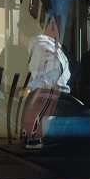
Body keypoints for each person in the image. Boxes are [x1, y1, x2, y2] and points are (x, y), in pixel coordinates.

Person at [21, 10, 71, 144]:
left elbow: (45, 87)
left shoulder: (40, 46)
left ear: (21, 33)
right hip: (54, 106)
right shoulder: (46, 45)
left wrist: (28, 91)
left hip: (53, 109)